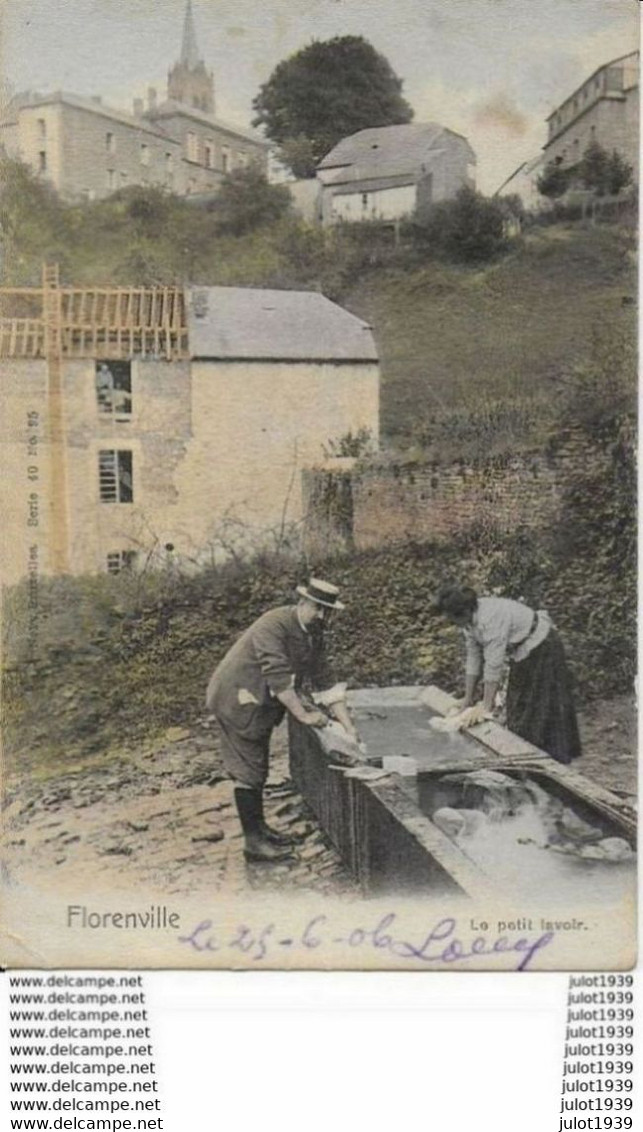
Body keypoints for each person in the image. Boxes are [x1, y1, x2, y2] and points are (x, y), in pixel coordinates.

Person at [205, 578, 358, 862]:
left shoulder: (314, 634)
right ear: (302, 603)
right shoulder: (273, 624)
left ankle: (260, 830)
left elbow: (326, 680)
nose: (322, 616)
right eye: (318, 609)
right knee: (249, 769)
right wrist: (303, 715)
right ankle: (253, 842)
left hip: (260, 701)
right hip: (237, 697)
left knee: (257, 765)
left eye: (328, 611)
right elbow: (278, 678)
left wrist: (348, 728)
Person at [433, 585, 582, 765]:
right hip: (523, 651)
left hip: (542, 645)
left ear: (463, 612)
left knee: (540, 706)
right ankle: (529, 757)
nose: (452, 623)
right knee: (519, 707)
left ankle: (550, 760)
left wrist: (486, 707)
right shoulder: (469, 623)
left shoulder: (490, 619)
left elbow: (493, 666)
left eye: (452, 619)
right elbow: (474, 659)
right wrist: (467, 700)